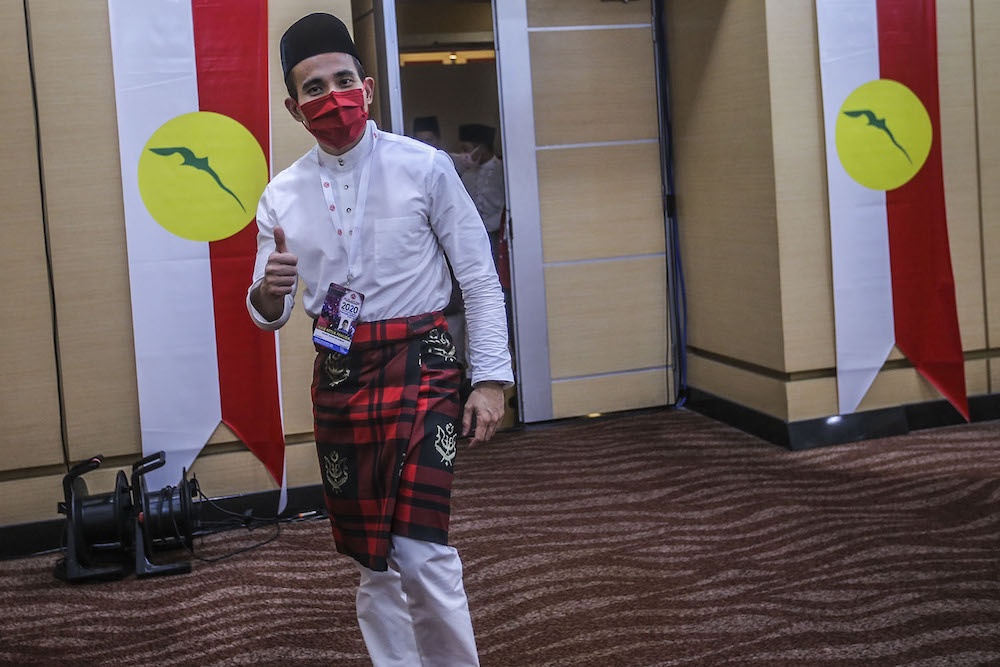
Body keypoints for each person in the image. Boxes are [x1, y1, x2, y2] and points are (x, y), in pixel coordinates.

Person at [246, 13, 512, 667]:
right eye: (315, 88)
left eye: (343, 81)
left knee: (421, 549)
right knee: (372, 557)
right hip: (340, 373)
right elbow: (266, 310)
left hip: (423, 363)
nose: (332, 97)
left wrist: (491, 380)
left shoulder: (425, 167)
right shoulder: (279, 196)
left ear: (366, 87)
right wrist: (270, 289)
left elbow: (477, 274)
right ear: (293, 105)